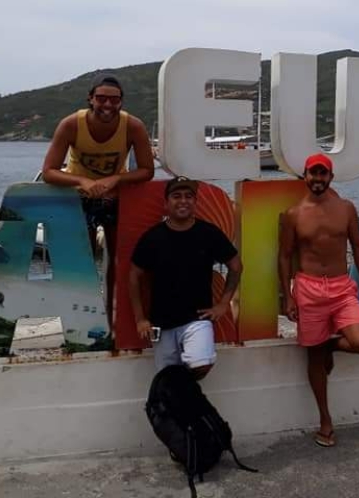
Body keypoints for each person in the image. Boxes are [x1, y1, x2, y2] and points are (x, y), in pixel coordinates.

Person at [279, 153, 359, 448]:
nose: (318, 179)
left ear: (331, 177)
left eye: (323, 174)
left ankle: (329, 346)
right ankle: (325, 420)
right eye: (313, 173)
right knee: (314, 357)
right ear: (305, 176)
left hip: (341, 287)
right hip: (308, 288)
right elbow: (284, 256)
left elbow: (358, 245)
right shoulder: (293, 214)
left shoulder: (346, 208)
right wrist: (288, 296)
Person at [42, 76, 156, 325]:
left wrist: (117, 178)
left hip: (115, 197)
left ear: (121, 102)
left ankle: (113, 318)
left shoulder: (133, 126)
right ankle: (81, 322)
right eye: (101, 98)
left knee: (120, 260)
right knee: (82, 263)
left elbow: (147, 170)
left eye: (114, 100)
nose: (107, 104)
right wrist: (82, 181)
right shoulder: (72, 124)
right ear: (90, 99)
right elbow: (49, 171)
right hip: (80, 197)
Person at [128, 176, 242, 380]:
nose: (183, 201)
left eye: (189, 196)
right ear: (166, 203)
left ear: (195, 202)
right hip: (162, 323)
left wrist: (223, 303)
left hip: (197, 319)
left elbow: (235, 266)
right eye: (177, 196)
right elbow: (134, 276)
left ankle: (185, 388)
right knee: (167, 378)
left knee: (201, 364)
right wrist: (140, 319)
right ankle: (184, 396)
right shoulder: (152, 237)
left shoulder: (209, 233)